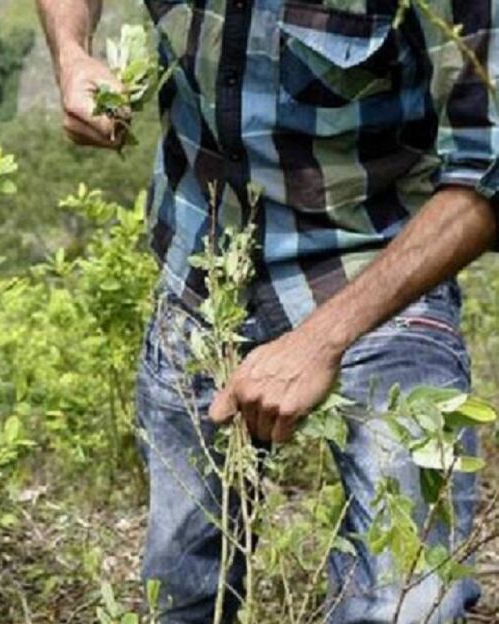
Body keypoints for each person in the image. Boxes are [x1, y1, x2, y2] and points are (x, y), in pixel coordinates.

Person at [36, 0, 499, 622]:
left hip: (380, 275)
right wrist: (72, 55)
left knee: (409, 600)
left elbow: (488, 169)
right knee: (181, 593)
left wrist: (320, 340)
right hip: (200, 271)